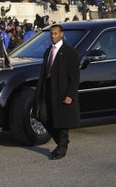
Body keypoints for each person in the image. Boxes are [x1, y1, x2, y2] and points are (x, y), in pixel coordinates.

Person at [33, 24, 80, 160]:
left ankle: (61, 148)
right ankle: (62, 141)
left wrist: (70, 94)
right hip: (48, 88)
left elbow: (74, 76)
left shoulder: (70, 52)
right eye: (51, 34)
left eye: (55, 33)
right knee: (43, 116)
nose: (53, 36)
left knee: (62, 120)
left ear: (62, 34)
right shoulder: (48, 51)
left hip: (62, 90)